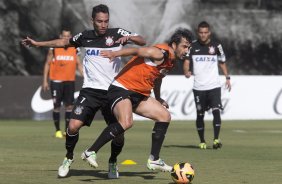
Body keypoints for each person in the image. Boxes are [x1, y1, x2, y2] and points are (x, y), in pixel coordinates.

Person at [22, 4, 146, 178]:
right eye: (99, 21)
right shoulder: (85, 36)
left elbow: (142, 40)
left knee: (118, 134)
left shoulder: (118, 33)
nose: (103, 25)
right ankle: (68, 157)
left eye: (106, 21)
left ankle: (112, 162)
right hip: (90, 91)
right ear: (92, 20)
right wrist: (38, 44)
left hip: (113, 92)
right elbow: (64, 42)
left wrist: (130, 39)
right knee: (72, 126)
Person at [80, 28, 193, 173]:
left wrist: (158, 98)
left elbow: (158, 79)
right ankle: (90, 151)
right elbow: (137, 51)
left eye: (189, 47)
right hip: (121, 89)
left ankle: (154, 160)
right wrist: (114, 53)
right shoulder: (160, 52)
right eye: (184, 46)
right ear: (174, 44)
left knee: (164, 116)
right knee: (127, 123)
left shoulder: (170, 61)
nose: (187, 50)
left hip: (138, 94)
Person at [183, 21, 231, 149]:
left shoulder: (216, 46)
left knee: (216, 111)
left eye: (205, 32)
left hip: (214, 86)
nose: (203, 35)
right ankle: (202, 141)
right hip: (199, 87)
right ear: (198, 33)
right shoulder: (192, 46)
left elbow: (222, 62)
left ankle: (216, 139)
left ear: (209, 33)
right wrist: (186, 72)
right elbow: (186, 62)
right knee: (200, 114)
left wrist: (227, 77)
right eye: (201, 33)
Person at [42, 30, 83, 138]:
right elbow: (47, 64)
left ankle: (66, 131)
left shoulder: (75, 47)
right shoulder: (54, 48)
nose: (65, 38)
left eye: (67, 36)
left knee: (69, 106)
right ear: (60, 36)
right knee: (56, 106)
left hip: (69, 81)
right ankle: (57, 130)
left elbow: (79, 64)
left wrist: (85, 76)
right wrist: (45, 81)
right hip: (56, 81)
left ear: (71, 36)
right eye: (64, 36)